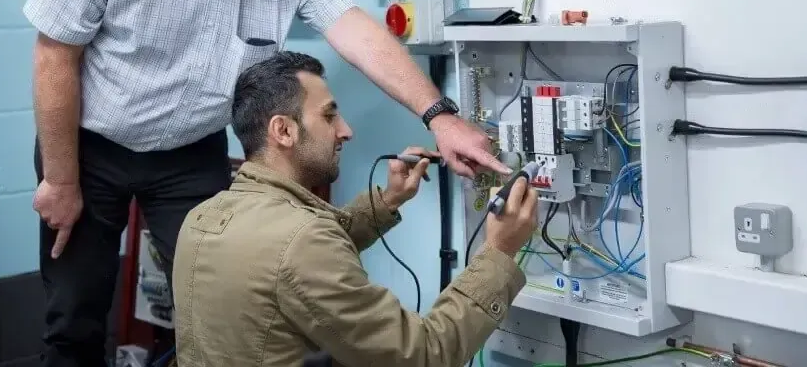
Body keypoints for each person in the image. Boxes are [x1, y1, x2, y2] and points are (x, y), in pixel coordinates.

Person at [22, 0, 509, 366]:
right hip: (92, 149)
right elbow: (54, 54)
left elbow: (354, 30)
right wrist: (60, 179)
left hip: (191, 151)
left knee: (221, 307)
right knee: (73, 318)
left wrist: (439, 117)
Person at [172, 51, 538, 367]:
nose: (346, 131)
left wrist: (388, 200)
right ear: (283, 131)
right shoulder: (303, 243)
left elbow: (286, 265)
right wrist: (499, 252)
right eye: (330, 116)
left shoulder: (204, 218)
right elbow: (425, 355)